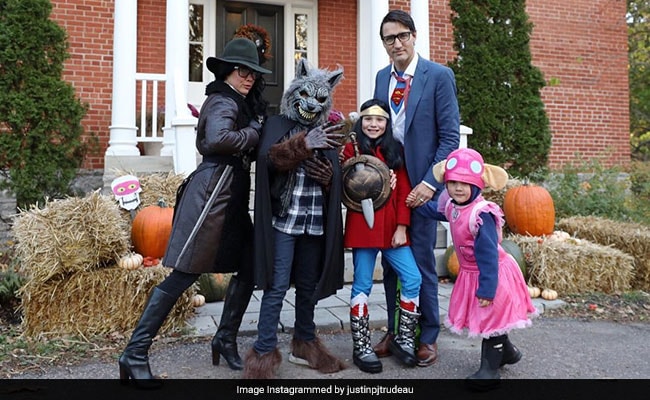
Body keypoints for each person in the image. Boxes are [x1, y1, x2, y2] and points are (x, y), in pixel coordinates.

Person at [118, 37, 270, 388]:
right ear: (229, 71)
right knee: (184, 274)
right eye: (242, 71)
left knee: (249, 265)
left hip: (227, 197)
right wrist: (254, 132)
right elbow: (217, 140)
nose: (248, 78)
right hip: (210, 197)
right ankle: (135, 353)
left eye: (253, 73)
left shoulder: (239, 101)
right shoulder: (222, 100)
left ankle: (224, 337)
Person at [243, 58, 346, 379]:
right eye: (306, 95)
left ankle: (304, 341)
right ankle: (263, 351)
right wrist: (302, 144)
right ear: (295, 91)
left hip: (314, 221)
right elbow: (269, 160)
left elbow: (337, 177)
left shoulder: (327, 131)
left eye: (320, 99)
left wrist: (330, 177)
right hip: (285, 221)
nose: (312, 104)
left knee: (307, 285)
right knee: (276, 287)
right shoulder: (277, 125)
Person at [372, 9, 460, 367]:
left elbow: (450, 138)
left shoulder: (438, 76)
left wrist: (429, 184)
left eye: (401, 36)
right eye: (389, 38)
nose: (396, 44)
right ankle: (396, 330)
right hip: (388, 190)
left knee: (422, 263)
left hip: (421, 188)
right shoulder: (381, 78)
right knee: (392, 264)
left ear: (413, 35)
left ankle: (427, 335)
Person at [422, 147, 538, 389]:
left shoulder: (481, 214)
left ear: (477, 185)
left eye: (464, 183)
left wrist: (487, 289)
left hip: (491, 274)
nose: (458, 188)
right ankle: (508, 353)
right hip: (472, 273)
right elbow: (438, 211)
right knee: (492, 319)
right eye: (452, 182)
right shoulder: (454, 206)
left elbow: (487, 254)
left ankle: (490, 371)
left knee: (490, 321)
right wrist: (413, 205)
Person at [341, 99, 422, 373]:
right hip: (363, 226)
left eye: (379, 120)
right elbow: (342, 183)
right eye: (368, 119)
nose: (373, 125)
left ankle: (404, 338)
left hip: (391, 229)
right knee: (362, 284)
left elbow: (403, 192)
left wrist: (402, 226)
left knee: (412, 277)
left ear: (387, 124)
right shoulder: (351, 148)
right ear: (360, 121)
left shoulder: (395, 150)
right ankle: (361, 345)